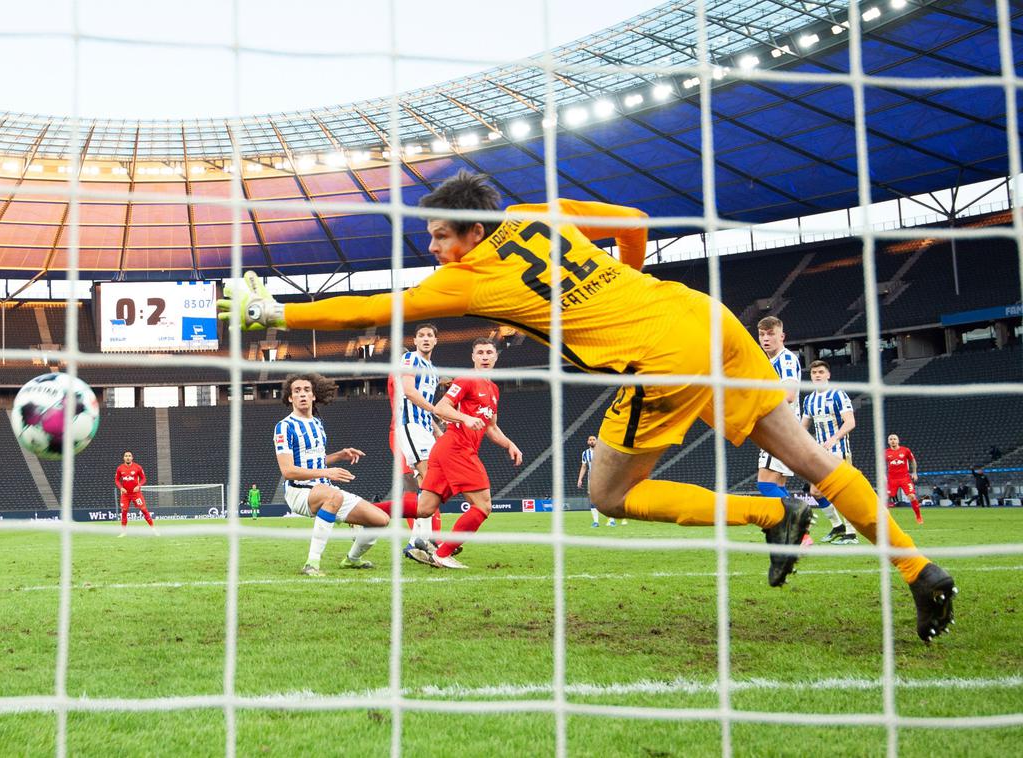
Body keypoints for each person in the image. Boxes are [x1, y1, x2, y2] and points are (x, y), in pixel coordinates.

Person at [219, 170, 955, 642]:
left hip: (662, 358)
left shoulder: (469, 278)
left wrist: (274, 315)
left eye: (441, 235)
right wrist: (616, 291)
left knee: (608, 492)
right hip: (706, 318)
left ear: (472, 232)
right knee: (816, 460)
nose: (435, 246)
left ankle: (772, 513)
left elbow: (379, 307)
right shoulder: (537, 215)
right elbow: (631, 219)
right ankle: (921, 572)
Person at [275, 373, 425, 576]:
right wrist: (327, 472)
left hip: (324, 489)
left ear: (314, 396)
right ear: (290, 398)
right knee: (334, 495)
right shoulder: (284, 426)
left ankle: (352, 560)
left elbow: (315, 461)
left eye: (307, 390)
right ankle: (312, 564)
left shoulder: (317, 424)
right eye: (297, 391)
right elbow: (288, 470)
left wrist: (339, 455)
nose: (302, 394)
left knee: (380, 519)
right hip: (299, 492)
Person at [401, 338, 523, 568]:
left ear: (496, 357)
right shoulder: (467, 379)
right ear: (473, 357)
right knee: (483, 506)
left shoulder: (493, 390)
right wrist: (465, 418)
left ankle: (365, 513)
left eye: (489, 352)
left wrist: (509, 444)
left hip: (449, 449)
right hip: (457, 448)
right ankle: (443, 553)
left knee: (424, 508)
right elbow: (441, 408)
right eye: (480, 352)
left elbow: (491, 427)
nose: (485, 356)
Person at [388, 323, 443, 552]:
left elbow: (423, 406)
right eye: (421, 335)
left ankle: (417, 540)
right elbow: (409, 391)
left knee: (428, 484)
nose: (426, 339)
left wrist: (437, 429)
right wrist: (437, 410)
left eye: (430, 335)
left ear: (436, 340)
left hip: (424, 429)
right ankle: (423, 539)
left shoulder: (433, 371)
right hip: (409, 427)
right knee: (429, 479)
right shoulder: (410, 359)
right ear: (415, 340)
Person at [800, 361, 860, 544]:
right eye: (814, 373)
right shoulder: (809, 400)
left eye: (820, 372)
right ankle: (837, 526)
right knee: (816, 491)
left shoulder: (838, 395)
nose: (817, 375)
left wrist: (835, 438)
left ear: (828, 375)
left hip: (839, 450)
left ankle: (851, 533)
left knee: (842, 492)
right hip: (819, 452)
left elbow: (850, 422)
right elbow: (803, 427)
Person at [755, 317, 800, 500]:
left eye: (771, 334)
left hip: (781, 429)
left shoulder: (785, 360)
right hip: (786, 429)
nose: (766, 338)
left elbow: (789, 395)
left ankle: (797, 526)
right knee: (777, 485)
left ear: (782, 336)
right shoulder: (771, 362)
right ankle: (798, 529)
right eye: (762, 334)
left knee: (765, 484)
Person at [578, 436, 618, 527]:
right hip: (592, 479)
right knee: (593, 500)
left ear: (597, 441)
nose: (592, 441)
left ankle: (611, 520)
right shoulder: (585, 453)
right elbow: (584, 467)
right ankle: (596, 522)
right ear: (587, 442)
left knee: (607, 498)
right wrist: (580, 479)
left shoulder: (603, 451)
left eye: (593, 440)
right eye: (590, 440)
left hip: (604, 478)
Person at [115, 451, 156, 536]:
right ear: (124, 458)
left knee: (144, 510)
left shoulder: (138, 467)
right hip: (125, 495)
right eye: (126, 456)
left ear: (132, 458)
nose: (128, 457)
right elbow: (116, 480)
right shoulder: (120, 468)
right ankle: (123, 532)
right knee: (124, 512)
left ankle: (153, 529)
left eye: (129, 456)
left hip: (136, 494)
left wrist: (139, 485)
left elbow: (144, 479)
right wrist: (121, 488)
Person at [886, 434, 923, 524]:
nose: (893, 441)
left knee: (912, 496)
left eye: (894, 439)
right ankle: (884, 520)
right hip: (892, 479)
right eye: (891, 439)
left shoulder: (905, 450)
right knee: (886, 499)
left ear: (898, 441)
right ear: (888, 441)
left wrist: (914, 472)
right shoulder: (885, 452)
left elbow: (912, 460)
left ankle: (918, 516)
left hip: (904, 478)